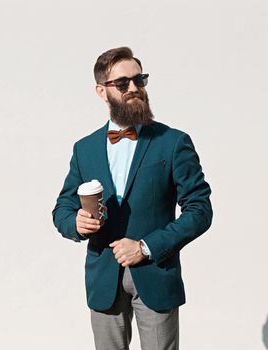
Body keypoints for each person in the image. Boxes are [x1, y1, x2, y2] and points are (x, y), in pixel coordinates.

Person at [52, 47, 213, 350]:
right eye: (123, 83)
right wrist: (75, 222)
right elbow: (62, 208)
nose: (135, 88)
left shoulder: (173, 142)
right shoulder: (84, 148)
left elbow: (200, 210)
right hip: (104, 279)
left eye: (140, 80)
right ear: (102, 91)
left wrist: (146, 247)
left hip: (155, 273)